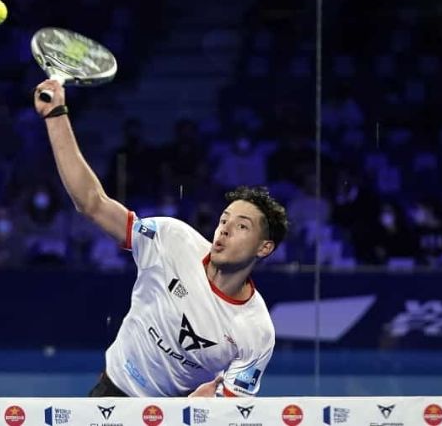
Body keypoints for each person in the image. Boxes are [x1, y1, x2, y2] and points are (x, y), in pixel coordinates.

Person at [33, 79, 289, 398]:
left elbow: (232, 406)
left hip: (177, 416)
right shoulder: (171, 239)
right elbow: (92, 203)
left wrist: (207, 401)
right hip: (112, 394)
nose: (223, 228)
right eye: (224, 219)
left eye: (241, 226)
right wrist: (56, 115)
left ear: (265, 247)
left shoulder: (256, 330)